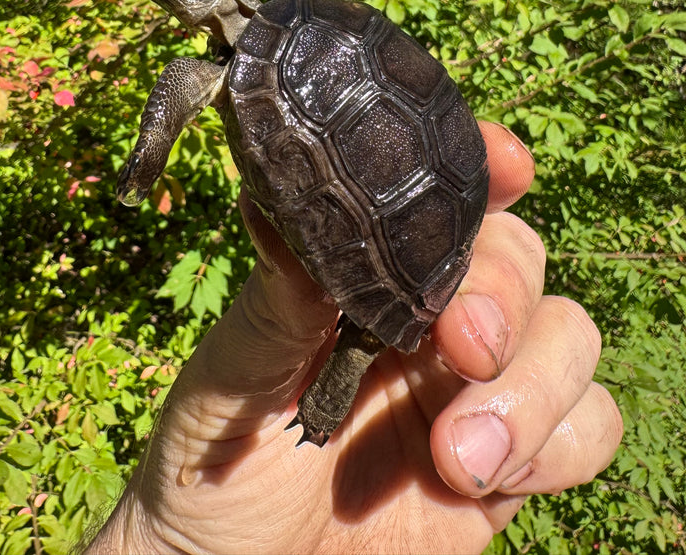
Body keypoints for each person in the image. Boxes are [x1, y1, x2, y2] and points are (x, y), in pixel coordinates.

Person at [84, 123, 623, 554]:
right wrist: (161, 542)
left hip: (382, 235)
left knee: (369, 341)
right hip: (368, 246)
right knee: (365, 340)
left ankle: (323, 416)